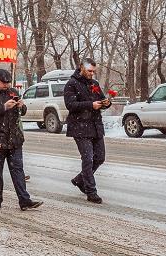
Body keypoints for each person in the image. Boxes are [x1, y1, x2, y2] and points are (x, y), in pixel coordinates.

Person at [0, 69, 43, 211]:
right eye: (3, 83)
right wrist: (3, 107)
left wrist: (21, 106)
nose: (6, 85)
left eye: (8, 82)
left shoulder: (13, 92)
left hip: (15, 139)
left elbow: (22, 112)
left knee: (18, 170)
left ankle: (24, 200)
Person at [64, 58, 111, 204]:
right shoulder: (72, 84)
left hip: (95, 125)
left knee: (100, 157)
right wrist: (91, 105)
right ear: (82, 68)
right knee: (88, 159)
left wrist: (106, 103)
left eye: (93, 71)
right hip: (80, 127)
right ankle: (91, 191)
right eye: (89, 71)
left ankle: (79, 180)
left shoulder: (94, 84)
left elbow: (101, 100)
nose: (92, 73)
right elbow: (70, 105)